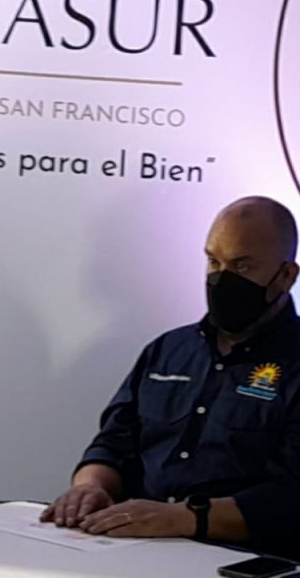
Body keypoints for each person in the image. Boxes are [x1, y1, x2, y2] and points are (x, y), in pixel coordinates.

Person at [41, 196, 300, 559]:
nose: (221, 278)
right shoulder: (167, 349)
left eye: (241, 266)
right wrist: (91, 487)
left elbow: (290, 497)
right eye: (213, 261)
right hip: (133, 548)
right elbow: (114, 442)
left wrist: (184, 518)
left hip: (244, 559)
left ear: (286, 276)